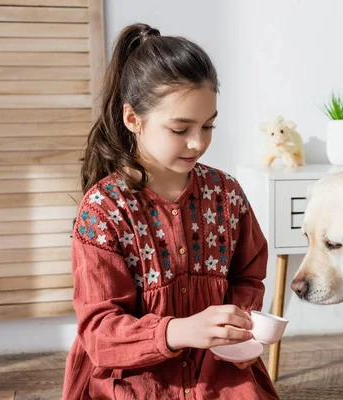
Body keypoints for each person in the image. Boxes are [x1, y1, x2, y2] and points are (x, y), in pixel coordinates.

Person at [62, 23, 279, 399]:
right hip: (131, 377)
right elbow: (100, 332)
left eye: (208, 125)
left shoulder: (226, 195)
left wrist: (240, 330)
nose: (198, 142)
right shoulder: (104, 211)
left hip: (218, 367)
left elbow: (248, 278)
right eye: (180, 129)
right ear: (134, 119)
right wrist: (177, 331)